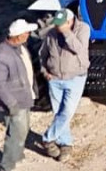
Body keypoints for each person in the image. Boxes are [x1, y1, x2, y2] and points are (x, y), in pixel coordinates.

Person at [39, 9, 91, 160]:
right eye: (56, 24)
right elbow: (43, 54)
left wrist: (67, 33)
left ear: (70, 22)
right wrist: (45, 72)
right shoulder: (51, 34)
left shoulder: (83, 29)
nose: (57, 27)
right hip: (54, 79)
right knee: (58, 113)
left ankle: (48, 138)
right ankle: (65, 143)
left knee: (67, 111)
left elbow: (79, 50)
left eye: (60, 24)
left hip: (75, 78)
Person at [0, 19, 38, 171]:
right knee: (15, 134)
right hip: (14, 101)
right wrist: (12, 104)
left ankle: (17, 156)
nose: (29, 34)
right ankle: (7, 166)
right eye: (26, 32)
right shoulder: (1, 55)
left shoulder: (20, 47)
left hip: (24, 97)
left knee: (22, 130)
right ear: (18, 36)